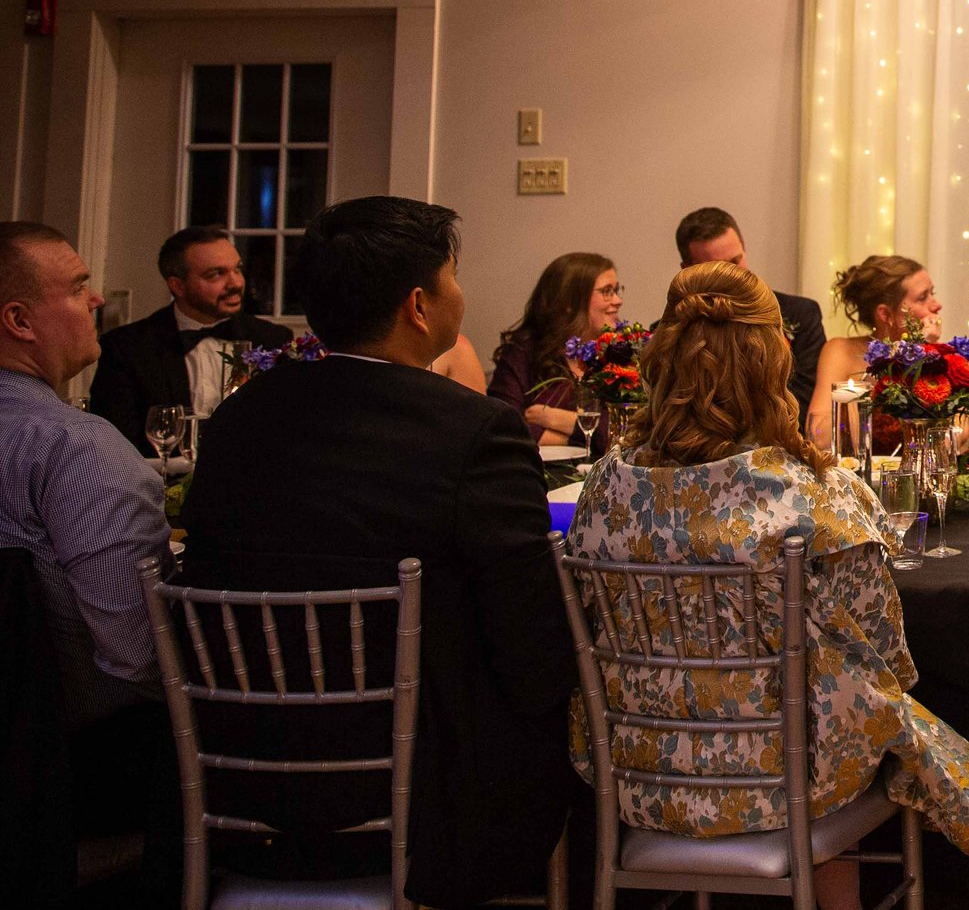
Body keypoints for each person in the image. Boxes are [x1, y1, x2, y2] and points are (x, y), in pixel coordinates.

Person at [567, 263, 969, 910]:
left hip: (639, 776)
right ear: (773, 362)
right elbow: (886, 656)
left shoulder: (605, 489)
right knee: (861, 710)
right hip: (793, 782)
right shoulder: (815, 492)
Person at [179, 197, 578, 908]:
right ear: (419, 304)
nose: (463, 292)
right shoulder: (476, 431)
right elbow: (534, 647)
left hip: (240, 778)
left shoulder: (239, 420)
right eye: (455, 276)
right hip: (423, 803)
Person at [0, 223, 179, 899]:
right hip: (65, 769)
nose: (99, 297)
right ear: (19, 320)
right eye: (77, 287)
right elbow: (138, 658)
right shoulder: (74, 448)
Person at [87, 224, 291, 455]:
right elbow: (117, 441)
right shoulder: (127, 347)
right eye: (216, 274)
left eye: (237, 269)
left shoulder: (272, 339)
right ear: (178, 286)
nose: (235, 283)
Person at [675, 206, 827, 414]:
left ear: (744, 247)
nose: (734, 275)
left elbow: (803, 401)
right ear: (688, 270)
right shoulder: (674, 331)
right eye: (718, 269)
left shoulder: (801, 314)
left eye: (736, 261)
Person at [485, 251, 622, 446]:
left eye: (617, 290)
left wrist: (560, 420)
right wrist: (585, 437)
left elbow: (626, 433)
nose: (618, 300)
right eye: (607, 291)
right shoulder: (525, 350)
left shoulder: (620, 354)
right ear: (569, 302)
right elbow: (502, 426)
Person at [806, 254, 944, 447]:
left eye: (932, 293)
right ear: (885, 314)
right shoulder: (841, 351)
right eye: (923, 298)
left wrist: (920, 352)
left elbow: (957, 436)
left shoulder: (935, 354)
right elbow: (819, 436)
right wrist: (890, 366)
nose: (937, 305)